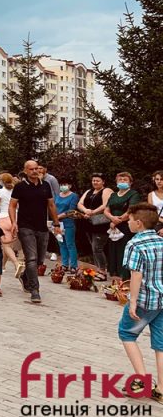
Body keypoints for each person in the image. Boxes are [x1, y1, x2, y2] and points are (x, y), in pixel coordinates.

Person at [117, 203, 163, 401]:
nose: (127, 222)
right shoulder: (161, 241)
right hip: (162, 299)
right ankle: (161, 388)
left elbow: (136, 274)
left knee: (126, 333)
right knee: (160, 344)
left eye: (129, 220)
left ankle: (141, 381)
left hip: (145, 299)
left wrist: (133, 301)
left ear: (138, 223)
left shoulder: (135, 244)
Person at [9, 160, 62, 304]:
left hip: (42, 227)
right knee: (31, 258)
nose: (34, 171)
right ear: (25, 171)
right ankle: (35, 290)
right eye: (31, 169)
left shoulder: (45, 186)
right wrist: (14, 222)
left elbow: (51, 205)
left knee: (39, 260)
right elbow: (12, 205)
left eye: (36, 169)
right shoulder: (20, 187)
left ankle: (26, 276)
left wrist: (56, 223)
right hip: (25, 226)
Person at [105, 172, 141, 280]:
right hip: (113, 226)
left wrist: (117, 220)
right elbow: (106, 210)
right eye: (120, 180)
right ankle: (114, 274)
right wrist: (112, 219)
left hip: (126, 226)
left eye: (125, 180)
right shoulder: (113, 195)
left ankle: (124, 276)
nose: (122, 181)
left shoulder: (134, 194)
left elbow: (131, 210)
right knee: (112, 249)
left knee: (124, 250)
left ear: (130, 182)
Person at [77, 173, 113, 281]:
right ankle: (98, 269)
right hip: (89, 223)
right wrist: (85, 211)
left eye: (97, 180)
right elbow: (80, 203)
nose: (95, 182)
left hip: (101, 223)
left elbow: (106, 205)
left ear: (103, 181)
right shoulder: (89, 191)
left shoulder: (106, 190)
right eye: (93, 180)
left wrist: (92, 212)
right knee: (93, 247)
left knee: (97, 247)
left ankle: (102, 271)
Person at [0, 173, 23, 276]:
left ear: (2, 182)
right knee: (7, 245)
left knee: (5, 244)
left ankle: (16, 263)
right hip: (15, 217)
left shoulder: (0, 191)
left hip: (4, 217)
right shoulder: (15, 190)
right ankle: (2, 265)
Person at [55, 182, 80, 273]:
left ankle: (73, 265)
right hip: (57, 223)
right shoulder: (57, 195)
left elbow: (72, 210)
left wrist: (60, 216)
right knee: (61, 243)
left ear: (70, 185)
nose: (63, 186)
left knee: (70, 244)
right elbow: (53, 207)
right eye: (61, 184)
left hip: (68, 222)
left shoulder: (74, 196)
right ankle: (64, 264)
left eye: (65, 184)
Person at [149, 171, 163, 237]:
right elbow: (152, 212)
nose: (159, 181)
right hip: (157, 222)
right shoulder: (151, 195)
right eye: (157, 179)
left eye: (162, 179)